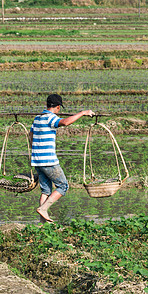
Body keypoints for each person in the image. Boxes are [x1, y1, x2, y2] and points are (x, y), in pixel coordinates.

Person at [29, 94, 95, 223]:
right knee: (63, 186)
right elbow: (65, 122)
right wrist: (83, 113)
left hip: (37, 160)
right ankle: (43, 209)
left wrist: (37, 148)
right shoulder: (51, 118)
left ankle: (43, 223)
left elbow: (30, 135)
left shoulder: (37, 118)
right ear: (58, 107)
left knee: (45, 190)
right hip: (48, 161)